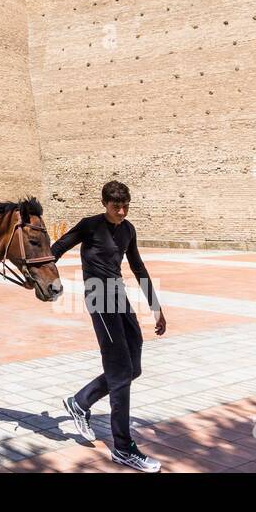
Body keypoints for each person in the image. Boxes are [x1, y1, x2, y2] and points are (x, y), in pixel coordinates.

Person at [53, 180, 167, 472]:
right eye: (116, 206)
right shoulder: (89, 225)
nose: (122, 210)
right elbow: (58, 248)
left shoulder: (128, 230)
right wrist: (43, 279)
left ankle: (80, 401)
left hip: (118, 293)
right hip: (97, 296)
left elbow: (138, 268)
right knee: (119, 370)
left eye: (126, 205)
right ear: (105, 203)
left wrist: (156, 308)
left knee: (133, 367)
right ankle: (123, 448)